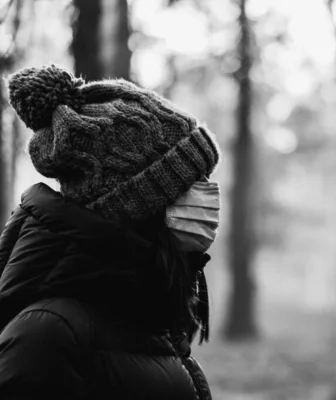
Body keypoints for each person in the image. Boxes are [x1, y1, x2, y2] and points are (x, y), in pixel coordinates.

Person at [0, 65, 221, 399]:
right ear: (138, 204)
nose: (209, 193)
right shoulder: (46, 336)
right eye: (191, 183)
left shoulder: (146, 315)